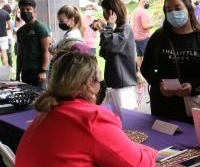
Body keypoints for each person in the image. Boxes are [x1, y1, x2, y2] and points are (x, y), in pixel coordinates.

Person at [15, 52, 157, 167]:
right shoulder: (92, 119)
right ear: (90, 83)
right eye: (99, 77)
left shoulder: (47, 112)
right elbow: (139, 164)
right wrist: (150, 151)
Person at [141, 0, 200, 123]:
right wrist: (159, 85)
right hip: (162, 105)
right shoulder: (159, 36)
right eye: (168, 10)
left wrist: (192, 87)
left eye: (177, 8)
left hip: (192, 106)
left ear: (188, 8)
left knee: (193, 142)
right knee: (162, 141)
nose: (173, 13)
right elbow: (146, 68)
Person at [96, 0, 139, 120]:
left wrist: (108, 26)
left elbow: (111, 45)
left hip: (122, 83)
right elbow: (104, 52)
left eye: (105, 11)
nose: (103, 14)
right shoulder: (118, 29)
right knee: (113, 118)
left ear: (111, 12)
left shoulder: (125, 28)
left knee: (126, 120)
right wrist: (104, 30)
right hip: (116, 82)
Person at [16, 0, 51, 88]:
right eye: (22, 10)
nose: (25, 12)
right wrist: (17, 73)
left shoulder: (40, 28)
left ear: (34, 11)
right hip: (25, 71)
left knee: (38, 98)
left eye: (28, 9)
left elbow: (46, 51)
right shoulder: (20, 31)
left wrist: (43, 71)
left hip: (38, 71)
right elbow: (20, 54)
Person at [48, 5, 86, 76]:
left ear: (72, 19)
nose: (60, 24)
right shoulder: (70, 34)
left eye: (62, 21)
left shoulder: (73, 38)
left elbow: (59, 53)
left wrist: (51, 48)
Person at [132, 0, 153, 68]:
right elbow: (145, 26)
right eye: (147, 2)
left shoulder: (135, 10)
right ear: (144, 2)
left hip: (136, 37)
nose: (148, 4)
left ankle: (139, 72)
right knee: (148, 57)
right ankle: (148, 73)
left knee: (139, 56)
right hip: (143, 37)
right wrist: (152, 25)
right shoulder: (143, 12)